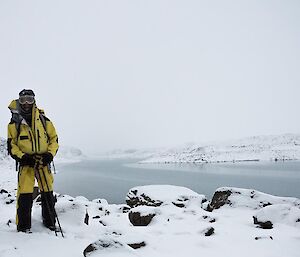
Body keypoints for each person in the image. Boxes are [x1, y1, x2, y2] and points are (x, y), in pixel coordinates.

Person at [7, 89, 59, 233]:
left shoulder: (44, 121)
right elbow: (12, 146)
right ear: (19, 102)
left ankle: (49, 222)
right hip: (26, 164)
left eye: (29, 99)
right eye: (23, 100)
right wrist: (23, 158)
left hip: (43, 162)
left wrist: (49, 155)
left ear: (34, 100)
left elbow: (54, 139)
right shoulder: (14, 124)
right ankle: (23, 226)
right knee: (25, 195)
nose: (26, 103)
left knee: (47, 192)